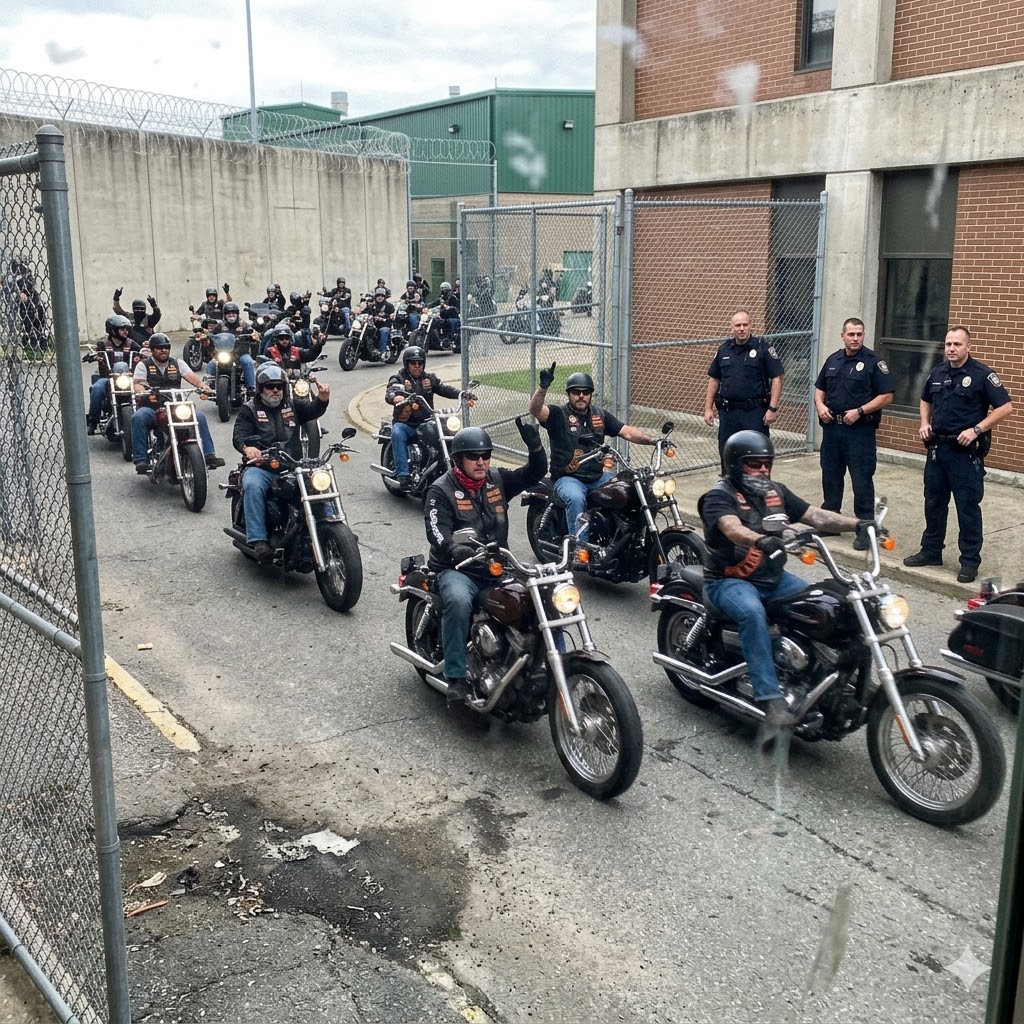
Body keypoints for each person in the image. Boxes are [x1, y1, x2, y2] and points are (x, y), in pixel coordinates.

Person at [699, 430, 867, 727]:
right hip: (728, 581)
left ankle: (815, 673)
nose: (763, 469)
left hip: (773, 579)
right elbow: (731, 528)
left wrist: (859, 524)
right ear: (735, 464)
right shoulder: (718, 496)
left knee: (824, 604)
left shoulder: (776, 491)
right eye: (754, 464)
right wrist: (760, 539)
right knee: (752, 613)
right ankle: (769, 697)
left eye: (767, 463)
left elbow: (815, 515)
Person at [424, 420, 547, 704]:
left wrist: (536, 448)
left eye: (485, 455)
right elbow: (436, 530)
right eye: (473, 456)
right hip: (458, 568)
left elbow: (534, 473)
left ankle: (541, 662)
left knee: (542, 596)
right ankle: (456, 676)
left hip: (498, 565)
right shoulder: (441, 490)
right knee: (458, 601)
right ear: (458, 459)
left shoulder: (497, 480)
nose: (481, 462)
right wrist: (453, 548)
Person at [903, 325, 1013, 583]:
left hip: (964, 454)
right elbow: (925, 399)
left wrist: (977, 429)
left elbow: (1005, 407)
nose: (951, 349)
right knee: (933, 503)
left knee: (967, 508)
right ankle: (931, 551)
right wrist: (924, 422)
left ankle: (970, 562)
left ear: (968, 346)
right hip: (937, 449)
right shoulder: (938, 372)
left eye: (957, 344)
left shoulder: (982, 375)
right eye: (948, 344)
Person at [529, 362, 658, 543]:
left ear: (590, 395)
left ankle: (627, 540)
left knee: (630, 490)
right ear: (568, 394)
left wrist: (653, 440)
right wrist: (543, 388)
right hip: (568, 478)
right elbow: (535, 410)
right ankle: (579, 547)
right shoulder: (558, 414)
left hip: (597, 477)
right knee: (576, 499)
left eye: (586, 392)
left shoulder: (599, 415)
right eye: (576, 392)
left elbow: (627, 431)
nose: (581, 396)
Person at [232, 362, 331, 563]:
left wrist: (322, 398)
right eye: (270, 386)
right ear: (261, 389)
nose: (275, 390)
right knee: (252, 485)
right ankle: (258, 539)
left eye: (279, 386)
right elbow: (239, 434)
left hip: (292, 464)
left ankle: (332, 525)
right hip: (262, 464)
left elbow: (312, 410)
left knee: (319, 483)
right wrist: (247, 448)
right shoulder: (249, 409)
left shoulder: (292, 405)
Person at [812, 317, 894, 549]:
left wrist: (860, 411)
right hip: (832, 428)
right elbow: (819, 388)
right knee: (830, 476)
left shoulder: (873, 362)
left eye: (859, 334)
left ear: (863, 335)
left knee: (861, 480)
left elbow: (887, 395)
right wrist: (820, 406)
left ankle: (865, 528)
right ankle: (831, 522)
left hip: (859, 431)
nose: (855, 338)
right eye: (851, 334)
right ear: (843, 336)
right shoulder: (833, 360)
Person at [131, 334, 225, 473]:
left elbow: (194, 379)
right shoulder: (143, 365)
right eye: (160, 348)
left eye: (166, 348)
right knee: (138, 417)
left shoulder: (178, 363)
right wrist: (142, 391)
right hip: (153, 408)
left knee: (199, 416)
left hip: (175, 407)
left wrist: (204, 388)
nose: (164, 350)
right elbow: (138, 383)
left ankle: (209, 455)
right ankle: (141, 460)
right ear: (152, 349)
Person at [704, 310, 784, 469]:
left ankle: (756, 485)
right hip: (729, 414)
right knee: (728, 456)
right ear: (731, 328)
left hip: (755, 414)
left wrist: (772, 409)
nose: (741, 328)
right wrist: (708, 408)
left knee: (756, 456)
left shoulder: (763, 348)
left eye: (745, 325)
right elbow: (714, 379)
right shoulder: (724, 349)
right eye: (738, 325)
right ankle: (729, 484)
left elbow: (777, 377)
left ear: (751, 326)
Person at [385, 346, 467, 489]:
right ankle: (403, 474)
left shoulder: (429, 379)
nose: (417, 366)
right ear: (406, 364)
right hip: (407, 424)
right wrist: (395, 397)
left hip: (426, 423)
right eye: (413, 363)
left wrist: (462, 394)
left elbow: (444, 388)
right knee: (397, 431)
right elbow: (392, 389)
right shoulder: (399, 378)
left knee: (450, 433)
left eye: (420, 363)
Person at [86, 314, 140, 433]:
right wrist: (94, 356)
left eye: (127, 329)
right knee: (96, 389)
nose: (125, 332)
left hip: (127, 379)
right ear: (113, 330)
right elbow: (96, 353)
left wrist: (142, 356)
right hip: (108, 378)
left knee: (144, 390)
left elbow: (141, 353)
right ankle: (93, 422)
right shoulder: (103, 343)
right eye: (122, 329)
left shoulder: (132, 344)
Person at [206, 301, 257, 393]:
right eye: (229, 313)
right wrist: (207, 336)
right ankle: (209, 386)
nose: (231, 315)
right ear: (225, 315)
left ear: (237, 314)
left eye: (233, 313)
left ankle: (251, 387)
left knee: (248, 361)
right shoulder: (220, 325)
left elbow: (253, 333)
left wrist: (253, 336)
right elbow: (212, 334)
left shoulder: (243, 325)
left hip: (241, 353)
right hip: (225, 353)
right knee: (212, 364)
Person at [428, 282, 460, 348]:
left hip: (451, 317)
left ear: (449, 289)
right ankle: (437, 339)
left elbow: (457, 308)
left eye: (446, 289)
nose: (444, 290)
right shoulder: (440, 298)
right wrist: (426, 307)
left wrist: (449, 308)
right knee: (436, 322)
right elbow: (433, 304)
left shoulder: (453, 298)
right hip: (442, 317)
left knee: (448, 322)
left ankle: (448, 339)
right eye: (442, 289)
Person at [366, 287, 395, 358]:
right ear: (375, 296)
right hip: (373, 325)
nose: (380, 297)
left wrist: (386, 318)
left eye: (382, 296)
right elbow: (365, 312)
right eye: (378, 295)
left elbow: (392, 316)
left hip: (385, 325)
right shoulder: (372, 306)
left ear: (384, 297)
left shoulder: (389, 306)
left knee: (383, 331)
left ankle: (382, 352)